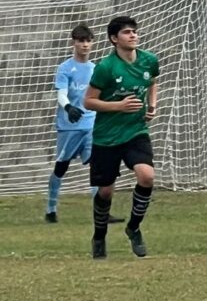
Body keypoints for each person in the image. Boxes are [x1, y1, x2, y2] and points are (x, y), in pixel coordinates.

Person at [83, 16, 159, 260]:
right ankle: (99, 236)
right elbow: (88, 101)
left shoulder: (149, 60)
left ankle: (133, 228)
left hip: (135, 131)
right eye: (127, 32)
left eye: (134, 32)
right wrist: (119, 106)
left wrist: (152, 105)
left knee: (147, 176)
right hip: (106, 137)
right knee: (105, 192)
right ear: (115, 39)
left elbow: (152, 81)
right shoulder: (106, 68)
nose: (133, 35)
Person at [45, 24, 124, 225]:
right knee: (61, 168)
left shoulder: (95, 69)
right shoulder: (65, 68)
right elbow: (61, 94)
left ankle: (102, 213)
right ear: (74, 43)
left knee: (97, 167)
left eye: (88, 41)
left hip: (91, 125)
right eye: (81, 41)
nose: (85, 45)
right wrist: (69, 107)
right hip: (69, 127)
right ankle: (51, 209)